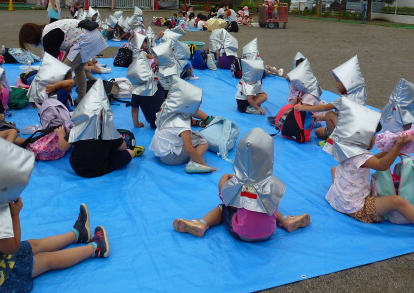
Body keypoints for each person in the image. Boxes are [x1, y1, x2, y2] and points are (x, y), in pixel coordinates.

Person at [0, 130, 110, 293]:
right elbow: (12, 249)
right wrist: (15, 215)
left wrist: (8, 140)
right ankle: (96, 248)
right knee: (46, 260)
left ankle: (78, 234)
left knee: (35, 244)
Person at [324, 97, 414, 244]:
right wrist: (396, 148)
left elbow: (369, 160)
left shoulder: (344, 146)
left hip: (337, 198)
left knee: (336, 169)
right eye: (372, 136)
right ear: (361, 137)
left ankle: (341, 194)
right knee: (397, 202)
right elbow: (381, 165)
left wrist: (392, 150)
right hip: (357, 207)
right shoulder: (360, 156)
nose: (375, 139)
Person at [173, 128, 310, 240]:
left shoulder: (238, 184)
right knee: (268, 206)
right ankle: (286, 220)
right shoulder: (271, 182)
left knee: (223, 208)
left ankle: (202, 223)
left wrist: (223, 181)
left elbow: (228, 200)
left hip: (243, 234)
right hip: (269, 232)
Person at [19, 19, 108, 103]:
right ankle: (82, 97)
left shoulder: (48, 37)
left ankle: (64, 100)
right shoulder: (48, 30)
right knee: (79, 68)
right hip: (92, 35)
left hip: (86, 39)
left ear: (32, 36)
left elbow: (52, 64)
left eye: (30, 42)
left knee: (64, 73)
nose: (32, 45)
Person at [68, 80, 144, 178]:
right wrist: (122, 141)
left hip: (78, 168)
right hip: (99, 168)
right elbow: (123, 147)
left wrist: (61, 134)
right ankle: (133, 152)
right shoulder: (108, 130)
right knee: (128, 153)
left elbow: (63, 146)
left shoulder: (78, 127)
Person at [149, 78, 217, 173]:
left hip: (160, 149)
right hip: (170, 157)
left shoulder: (168, 106)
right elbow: (189, 149)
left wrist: (207, 118)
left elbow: (193, 111)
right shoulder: (182, 124)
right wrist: (204, 164)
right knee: (203, 141)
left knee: (193, 135)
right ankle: (193, 164)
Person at [294, 55, 368, 139]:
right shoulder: (357, 98)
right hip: (353, 130)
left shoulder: (344, 100)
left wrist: (303, 108)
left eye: (339, 81)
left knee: (330, 114)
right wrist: (321, 118)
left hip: (347, 132)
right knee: (318, 132)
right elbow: (342, 117)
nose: (337, 84)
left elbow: (324, 107)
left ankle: (334, 140)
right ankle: (334, 136)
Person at [127, 52, 166, 129]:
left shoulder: (137, 92)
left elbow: (134, 109)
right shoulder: (158, 83)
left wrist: (136, 123)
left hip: (154, 123)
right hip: (167, 119)